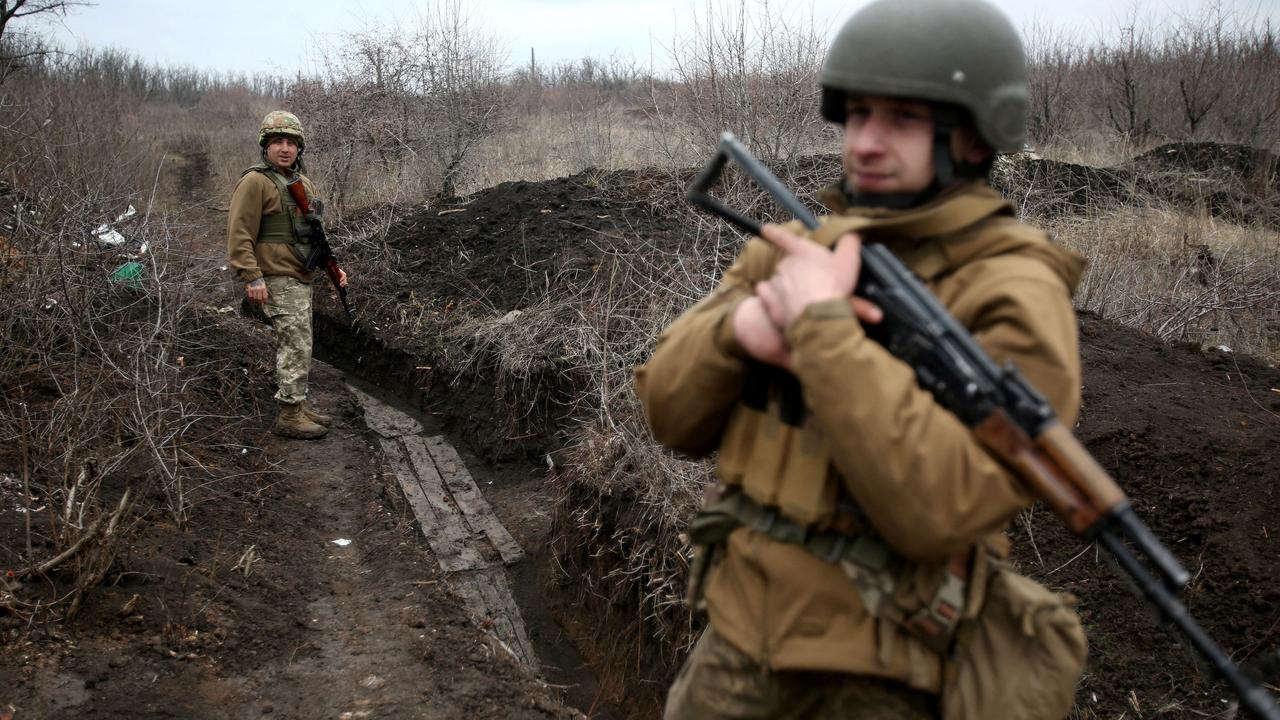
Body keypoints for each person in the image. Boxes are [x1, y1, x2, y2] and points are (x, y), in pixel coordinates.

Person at [635, 0, 1085, 717]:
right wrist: (739, 331)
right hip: (732, 644)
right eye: (859, 115)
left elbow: (942, 510)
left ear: (974, 137)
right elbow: (667, 413)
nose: (866, 142)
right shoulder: (798, 247)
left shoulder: (1013, 291)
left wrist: (823, 329)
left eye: (903, 119)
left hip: (886, 673)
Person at [227, 110, 347, 440]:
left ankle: (297, 405)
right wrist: (251, 276)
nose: (284, 148)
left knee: (301, 342)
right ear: (265, 147)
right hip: (276, 275)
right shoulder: (255, 182)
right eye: (277, 142)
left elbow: (313, 235)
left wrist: (334, 269)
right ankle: (289, 415)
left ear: (299, 148)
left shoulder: (301, 183)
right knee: (294, 343)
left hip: (299, 274)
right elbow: (239, 232)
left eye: (291, 142)